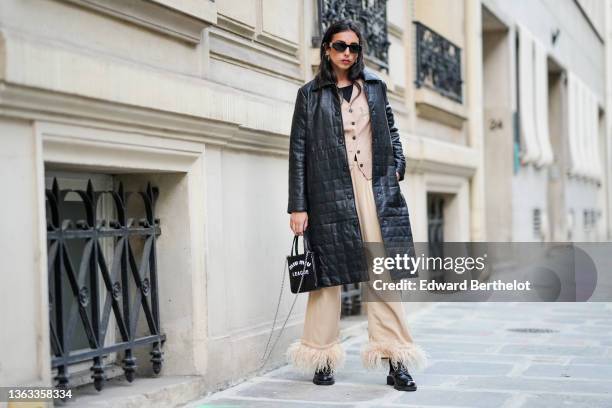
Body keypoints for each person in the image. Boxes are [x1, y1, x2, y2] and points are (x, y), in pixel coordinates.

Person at [285, 20, 428, 391]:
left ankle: (395, 357)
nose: (347, 53)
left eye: (353, 47)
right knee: (327, 279)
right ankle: (322, 356)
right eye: (339, 46)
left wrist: (397, 167)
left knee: (383, 272)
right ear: (327, 50)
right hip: (328, 191)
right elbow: (298, 151)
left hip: (373, 189)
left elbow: (392, 132)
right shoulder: (309, 95)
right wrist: (297, 206)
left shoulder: (376, 88)